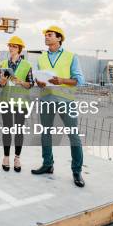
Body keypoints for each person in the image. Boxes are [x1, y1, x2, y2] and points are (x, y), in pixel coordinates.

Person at [31, 25, 86, 187]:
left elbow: (79, 80)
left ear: (59, 38)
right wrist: (38, 82)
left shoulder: (71, 56)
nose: (46, 37)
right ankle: (48, 164)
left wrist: (61, 80)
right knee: (46, 133)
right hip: (46, 99)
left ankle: (77, 171)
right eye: (46, 35)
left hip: (65, 101)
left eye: (50, 35)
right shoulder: (41, 58)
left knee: (73, 136)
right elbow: (38, 78)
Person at [0, 36, 33, 172]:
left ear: (19, 49)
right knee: (7, 129)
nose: (11, 48)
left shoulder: (26, 65)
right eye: (10, 46)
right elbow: (0, 84)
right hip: (6, 101)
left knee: (19, 130)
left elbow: (30, 84)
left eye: (14, 46)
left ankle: (17, 158)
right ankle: (6, 157)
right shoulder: (3, 64)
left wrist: (21, 82)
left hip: (21, 102)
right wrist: (2, 81)